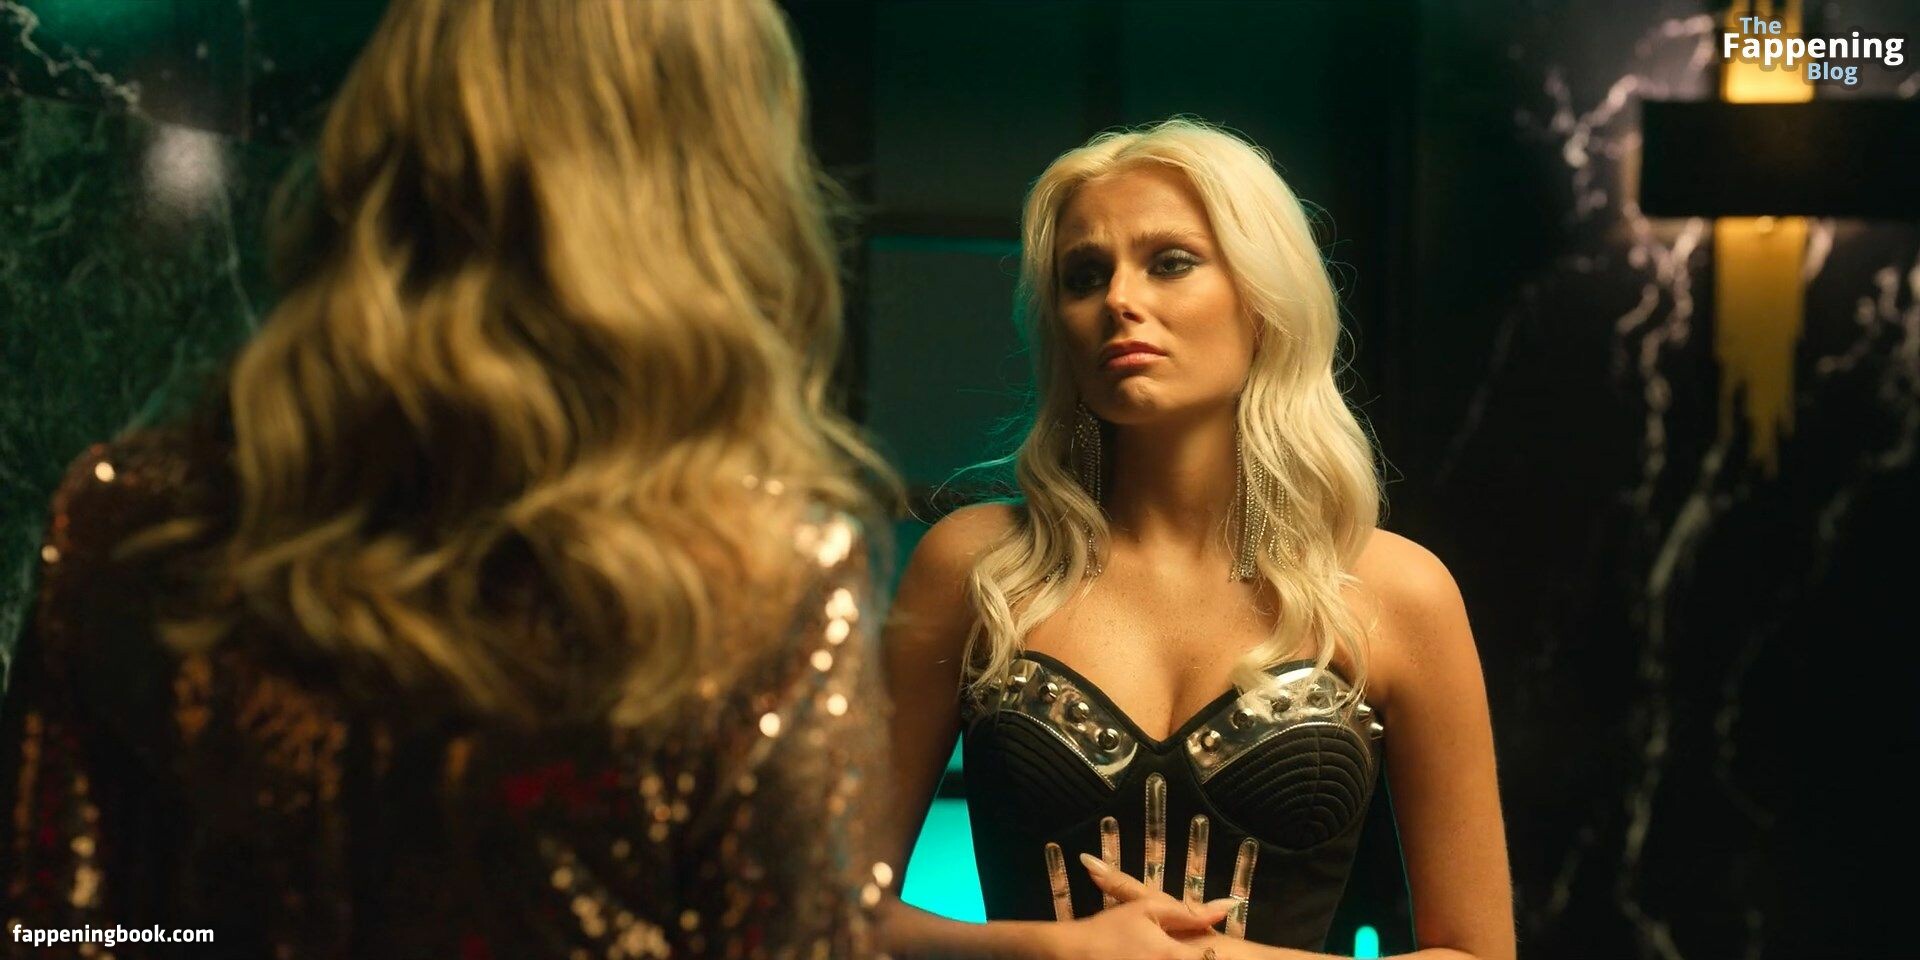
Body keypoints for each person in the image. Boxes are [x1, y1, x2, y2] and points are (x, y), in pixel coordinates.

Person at [0, 1, 899, 957]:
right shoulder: (749, 585)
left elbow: (55, 931)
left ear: (386, 135)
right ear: (718, 190)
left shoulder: (132, 521)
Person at [877, 119, 1514, 960]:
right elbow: (822, 910)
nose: (1118, 300)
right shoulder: (977, 567)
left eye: (1170, 262)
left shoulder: (1397, 592)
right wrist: (1055, 951)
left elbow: (1479, 953)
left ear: (1263, 299)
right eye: (1083, 276)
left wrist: (1218, 958)